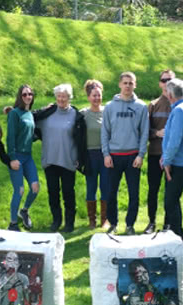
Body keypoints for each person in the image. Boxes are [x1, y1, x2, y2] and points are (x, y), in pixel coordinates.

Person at [33, 83, 87, 233]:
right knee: (53, 192)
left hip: (68, 160)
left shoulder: (76, 116)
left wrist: (80, 159)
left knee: (69, 193)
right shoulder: (47, 114)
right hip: (50, 160)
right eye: (59, 96)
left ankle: (69, 223)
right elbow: (29, 119)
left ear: (69, 98)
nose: (61, 99)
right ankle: (56, 220)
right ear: (55, 97)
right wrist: (12, 112)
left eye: (64, 96)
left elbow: (81, 140)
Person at [101, 72, 149, 235]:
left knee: (133, 193)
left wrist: (141, 155)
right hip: (114, 156)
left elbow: (144, 133)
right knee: (110, 192)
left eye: (131, 83)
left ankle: (130, 225)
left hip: (133, 156)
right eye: (125, 83)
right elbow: (104, 132)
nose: (128, 86)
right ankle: (113, 224)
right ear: (119, 85)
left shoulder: (141, 107)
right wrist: (106, 154)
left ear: (135, 85)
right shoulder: (109, 107)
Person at [159, 78, 183, 239]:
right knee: (173, 200)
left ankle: (177, 236)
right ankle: (176, 233)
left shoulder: (179, 110)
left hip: (179, 163)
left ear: (170, 94)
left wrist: (167, 161)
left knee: (170, 201)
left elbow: (175, 140)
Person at [143, 69, 175, 234]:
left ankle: (169, 223)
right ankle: (151, 222)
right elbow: (144, 131)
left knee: (171, 191)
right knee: (153, 189)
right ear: (159, 83)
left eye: (170, 80)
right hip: (155, 153)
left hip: (174, 157)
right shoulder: (154, 104)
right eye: (164, 80)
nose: (166, 83)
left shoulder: (179, 104)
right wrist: (156, 133)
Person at [6, 85, 40, 231]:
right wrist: (12, 158)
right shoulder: (14, 113)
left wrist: (36, 137)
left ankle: (24, 211)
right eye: (25, 94)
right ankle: (13, 223)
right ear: (20, 96)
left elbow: (28, 135)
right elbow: (10, 137)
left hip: (28, 156)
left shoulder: (29, 114)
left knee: (35, 188)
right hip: (17, 157)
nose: (28, 96)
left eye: (30, 94)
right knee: (19, 190)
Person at [81, 79, 109, 229]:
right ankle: (92, 220)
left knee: (105, 187)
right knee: (91, 187)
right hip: (90, 156)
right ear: (88, 97)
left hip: (105, 154)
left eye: (99, 95)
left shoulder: (107, 112)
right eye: (94, 95)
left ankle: (105, 219)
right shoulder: (83, 114)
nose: (97, 98)